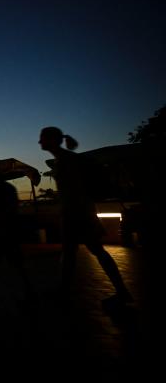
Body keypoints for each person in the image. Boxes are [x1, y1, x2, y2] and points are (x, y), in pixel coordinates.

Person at [39, 126, 133, 305]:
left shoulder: (66, 160)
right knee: (73, 253)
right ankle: (65, 291)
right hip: (79, 213)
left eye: (42, 138)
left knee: (90, 251)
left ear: (52, 139)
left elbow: (75, 190)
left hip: (77, 214)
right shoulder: (66, 159)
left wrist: (72, 211)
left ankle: (121, 291)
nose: (39, 142)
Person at [0, 158, 35, 304]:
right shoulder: (9, 188)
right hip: (10, 227)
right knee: (16, 262)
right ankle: (28, 290)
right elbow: (14, 208)